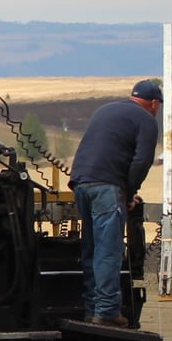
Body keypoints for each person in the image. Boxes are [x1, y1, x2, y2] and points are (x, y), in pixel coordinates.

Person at [69, 78, 164, 327]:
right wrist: (129, 191)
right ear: (154, 103)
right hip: (106, 187)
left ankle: (92, 309)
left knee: (91, 248)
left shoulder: (106, 109)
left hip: (81, 183)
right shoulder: (146, 120)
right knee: (108, 250)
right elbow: (142, 161)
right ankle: (108, 311)